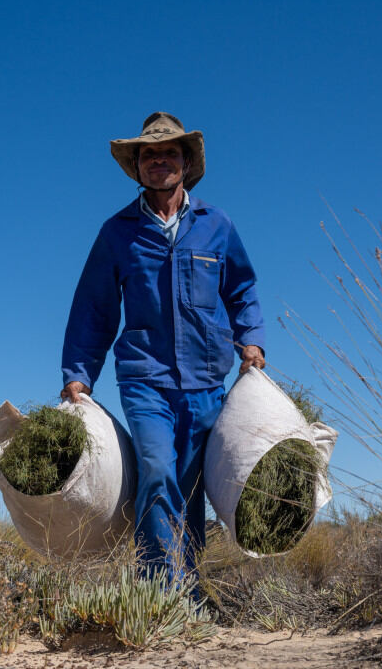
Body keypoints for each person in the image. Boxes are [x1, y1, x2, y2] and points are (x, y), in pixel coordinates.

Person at [61, 111, 265, 579]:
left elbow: (242, 290)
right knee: (156, 469)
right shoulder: (117, 233)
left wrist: (250, 341)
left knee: (190, 487)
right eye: (148, 154)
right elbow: (94, 306)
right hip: (145, 378)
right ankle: (157, 588)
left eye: (168, 152)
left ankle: (185, 588)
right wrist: (78, 371)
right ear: (136, 166)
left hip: (206, 380)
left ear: (186, 161)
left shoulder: (217, 225)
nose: (158, 161)